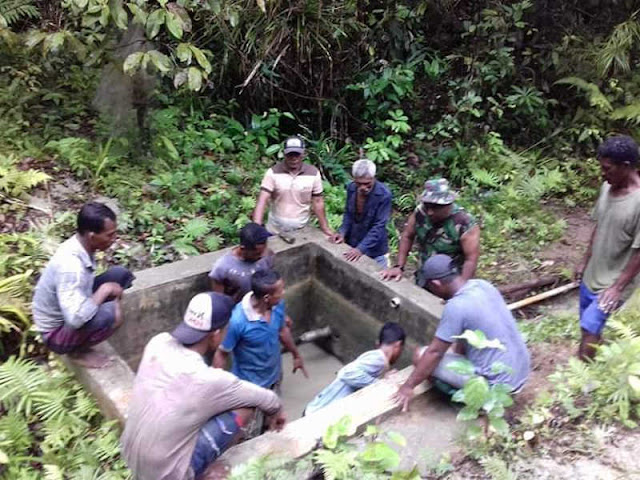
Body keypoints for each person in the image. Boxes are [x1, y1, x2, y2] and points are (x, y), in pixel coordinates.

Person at [121, 292, 286, 480]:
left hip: (132, 456)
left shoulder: (158, 342)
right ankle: (200, 472)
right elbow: (267, 399)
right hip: (168, 475)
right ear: (216, 335)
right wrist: (277, 413)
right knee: (244, 407)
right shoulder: (209, 380)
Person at [395, 254, 530, 411]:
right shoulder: (482, 285)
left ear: (436, 284)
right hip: (520, 372)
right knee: (452, 348)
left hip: (498, 387)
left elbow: (435, 353)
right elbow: (463, 339)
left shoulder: (456, 306)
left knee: (420, 355)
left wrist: (408, 386)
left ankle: (474, 404)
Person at [32, 202, 134, 368]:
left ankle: (89, 331)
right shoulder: (71, 268)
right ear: (92, 236)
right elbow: (74, 319)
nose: (114, 240)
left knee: (120, 275)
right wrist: (104, 290)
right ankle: (76, 351)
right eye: (109, 235)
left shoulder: (81, 245)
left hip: (72, 304)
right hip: (56, 333)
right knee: (112, 315)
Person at [213, 270, 307, 434]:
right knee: (247, 432)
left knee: (273, 421)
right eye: (280, 292)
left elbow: (282, 331)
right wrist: (216, 389)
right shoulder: (237, 321)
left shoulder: (277, 305)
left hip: (274, 376)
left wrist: (296, 355)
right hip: (250, 386)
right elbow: (221, 354)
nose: (283, 294)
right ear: (266, 298)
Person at [574, 135, 640, 360]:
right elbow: (598, 226)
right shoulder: (606, 187)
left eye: (607, 168)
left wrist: (617, 288)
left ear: (626, 167)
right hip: (592, 274)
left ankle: (583, 375)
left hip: (613, 282)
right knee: (587, 326)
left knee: (590, 329)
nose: (602, 173)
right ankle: (601, 354)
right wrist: (584, 260)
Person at [380, 178, 480, 285]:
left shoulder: (464, 222)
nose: (430, 212)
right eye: (427, 206)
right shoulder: (421, 212)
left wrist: (461, 288)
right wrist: (399, 267)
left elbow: (471, 259)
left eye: (436, 207)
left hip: (450, 281)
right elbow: (407, 236)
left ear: (448, 205)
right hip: (424, 275)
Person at [304, 322, 405, 416]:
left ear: (378, 343)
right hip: (317, 412)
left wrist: (382, 379)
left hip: (317, 410)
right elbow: (346, 373)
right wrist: (380, 383)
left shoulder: (377, 359)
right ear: (398, 345)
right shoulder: (379, 359)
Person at [253, 136, 334, 236]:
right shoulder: (273, 172)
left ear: (303, 154)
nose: (293, 158)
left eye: (297, 154)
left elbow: (317, 201)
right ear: (284, 154)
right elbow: (262, 200)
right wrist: (256, 227)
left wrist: (325, 227)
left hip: (302, 231)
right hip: (274, 231)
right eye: (290, 154)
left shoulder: (313, 173)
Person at [329, 159, 392, 267]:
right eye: (359, 183)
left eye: (367, 184)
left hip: (374, 250)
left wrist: (361, 248)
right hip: (352, 242)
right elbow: (348, 213)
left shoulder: (384, 195)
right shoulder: (351, 188)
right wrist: (342, 232)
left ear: (373, 178)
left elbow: (379, 225)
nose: (363, 188)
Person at [209, 222, 274, 303]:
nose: (262, 255)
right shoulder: (223, 267)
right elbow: (219, 300)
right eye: (257, 253)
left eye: (264, 250)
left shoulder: (267, 255)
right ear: (243, 248)